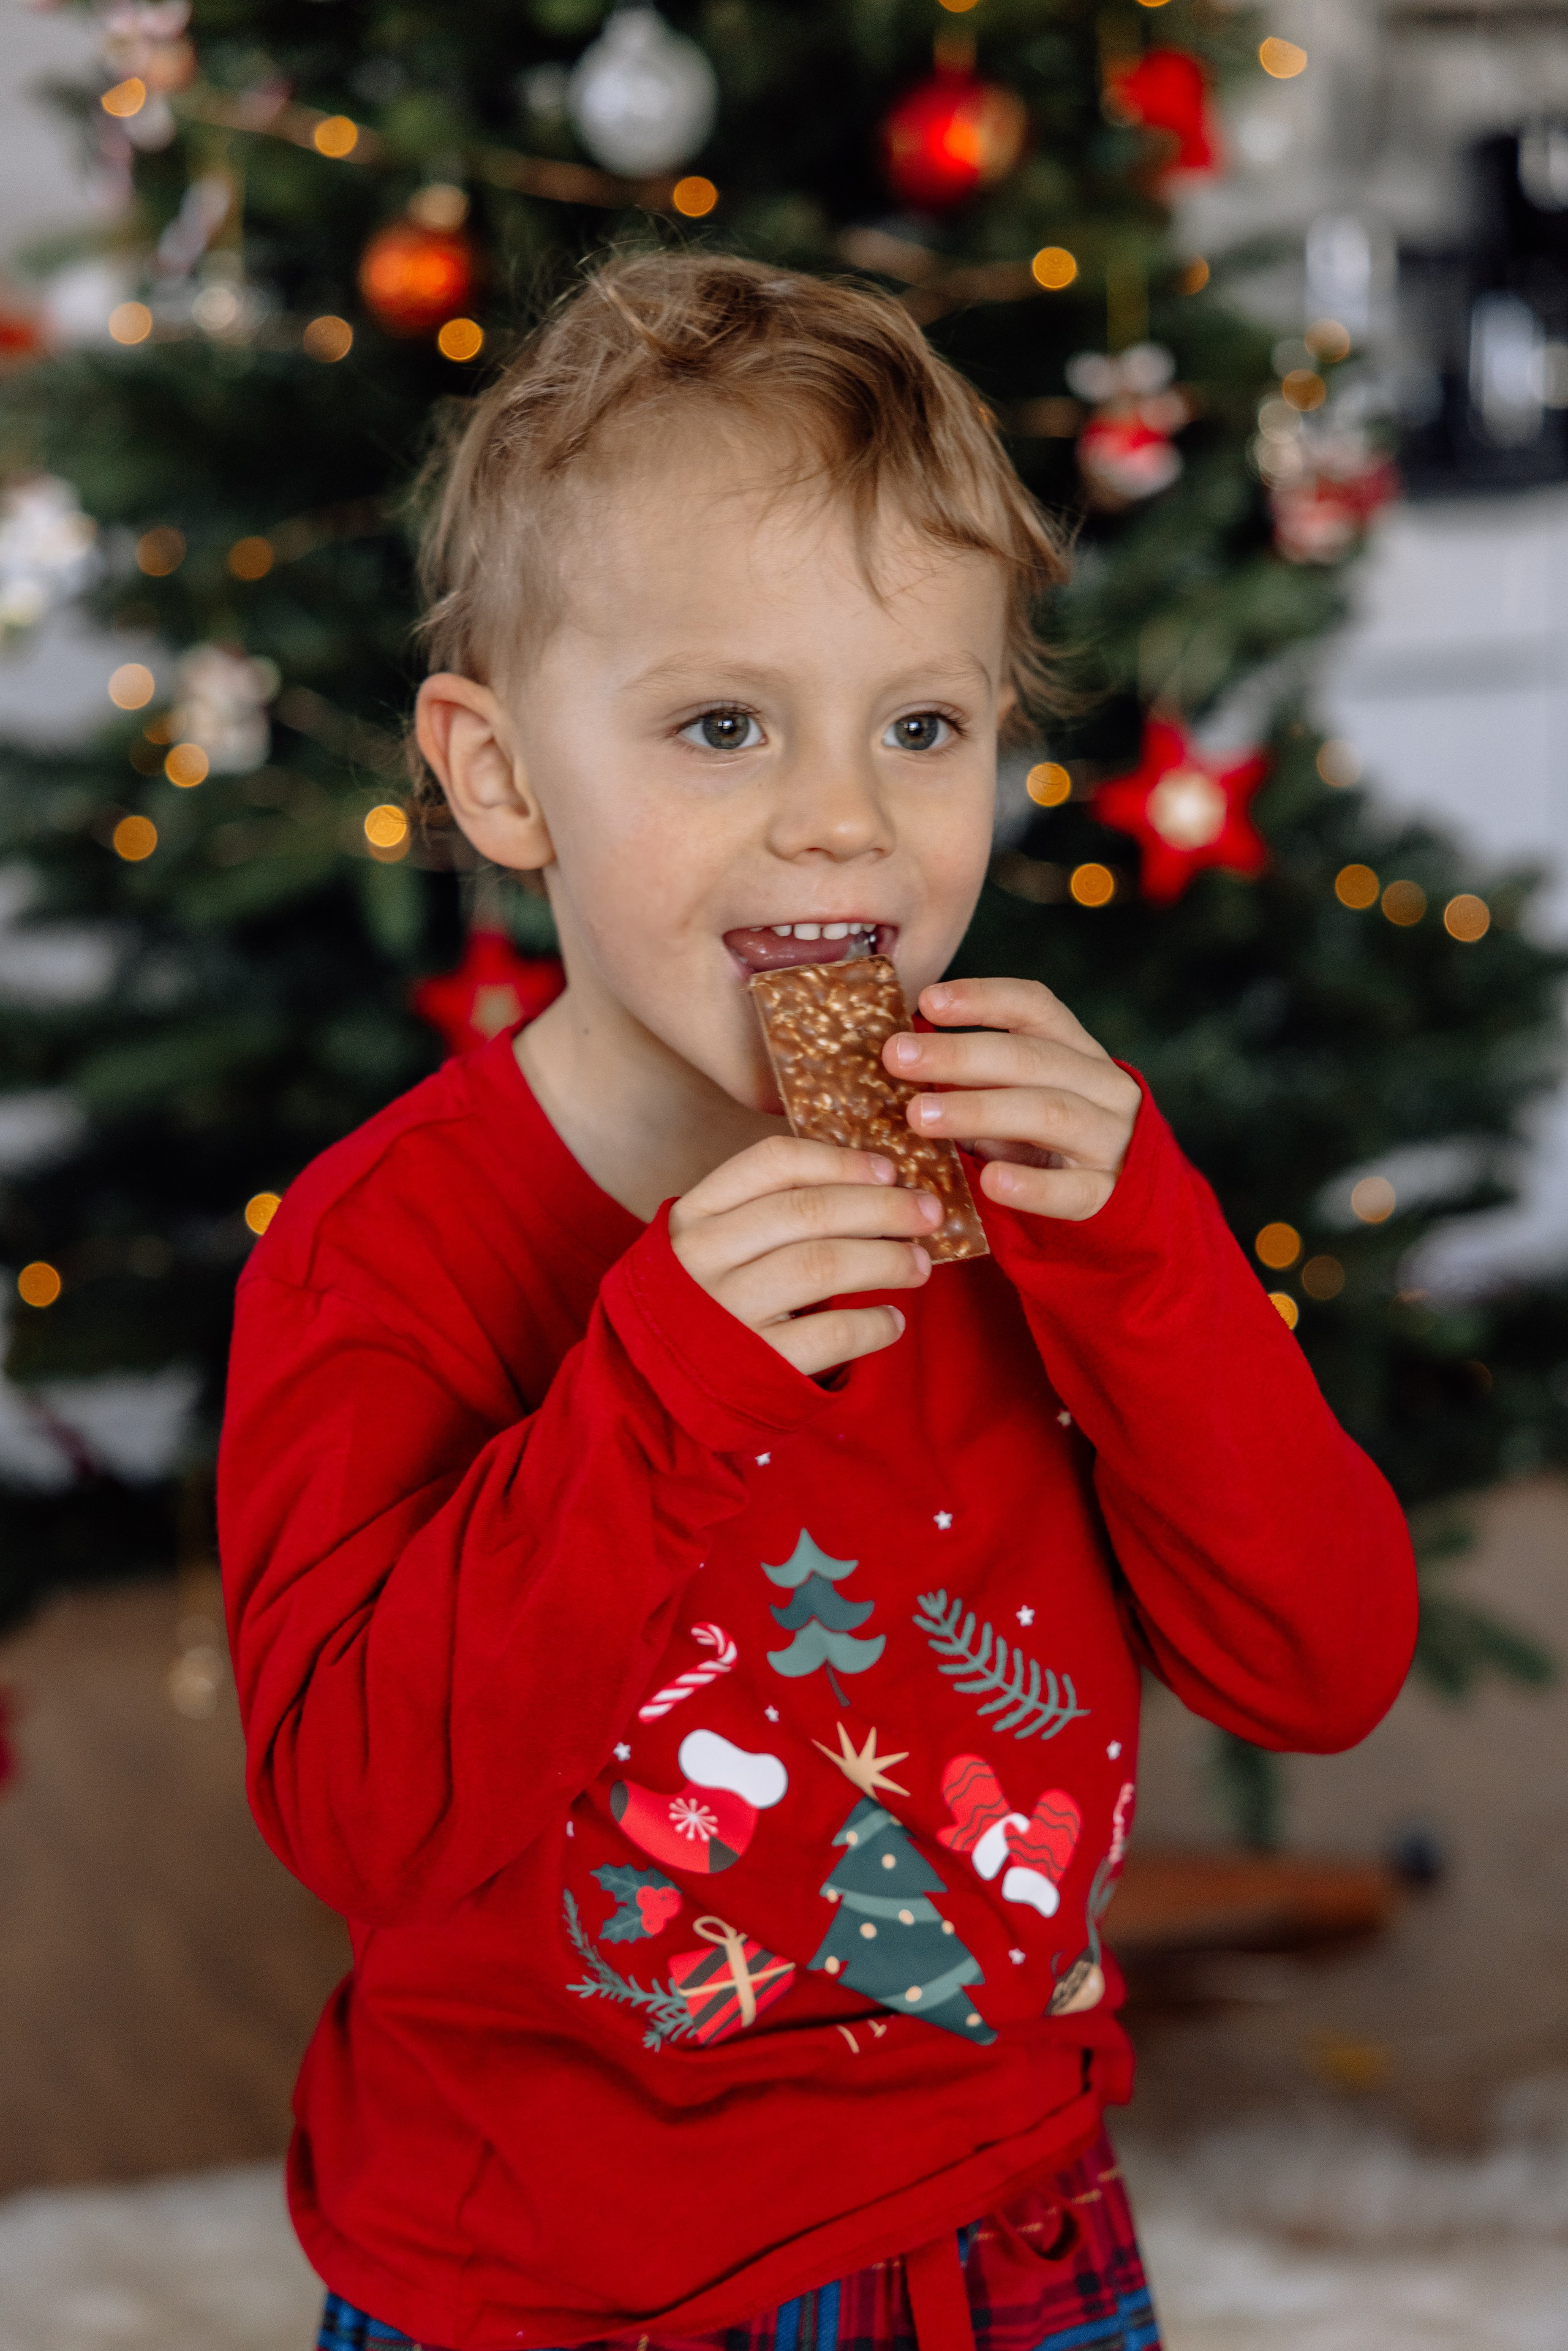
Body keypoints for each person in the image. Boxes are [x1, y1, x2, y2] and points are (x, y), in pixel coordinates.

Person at [219, 252, 1417, 2351]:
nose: (846, 818)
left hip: (1006, 2214)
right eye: (721, 724)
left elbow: (1321, 1662)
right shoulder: (380, 1250)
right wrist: (663, 1375)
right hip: (533, 2279)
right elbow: (363, 1817)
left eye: (925, 725)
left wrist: (1143, 1250)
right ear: (502, 781)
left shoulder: (1048, 1184)